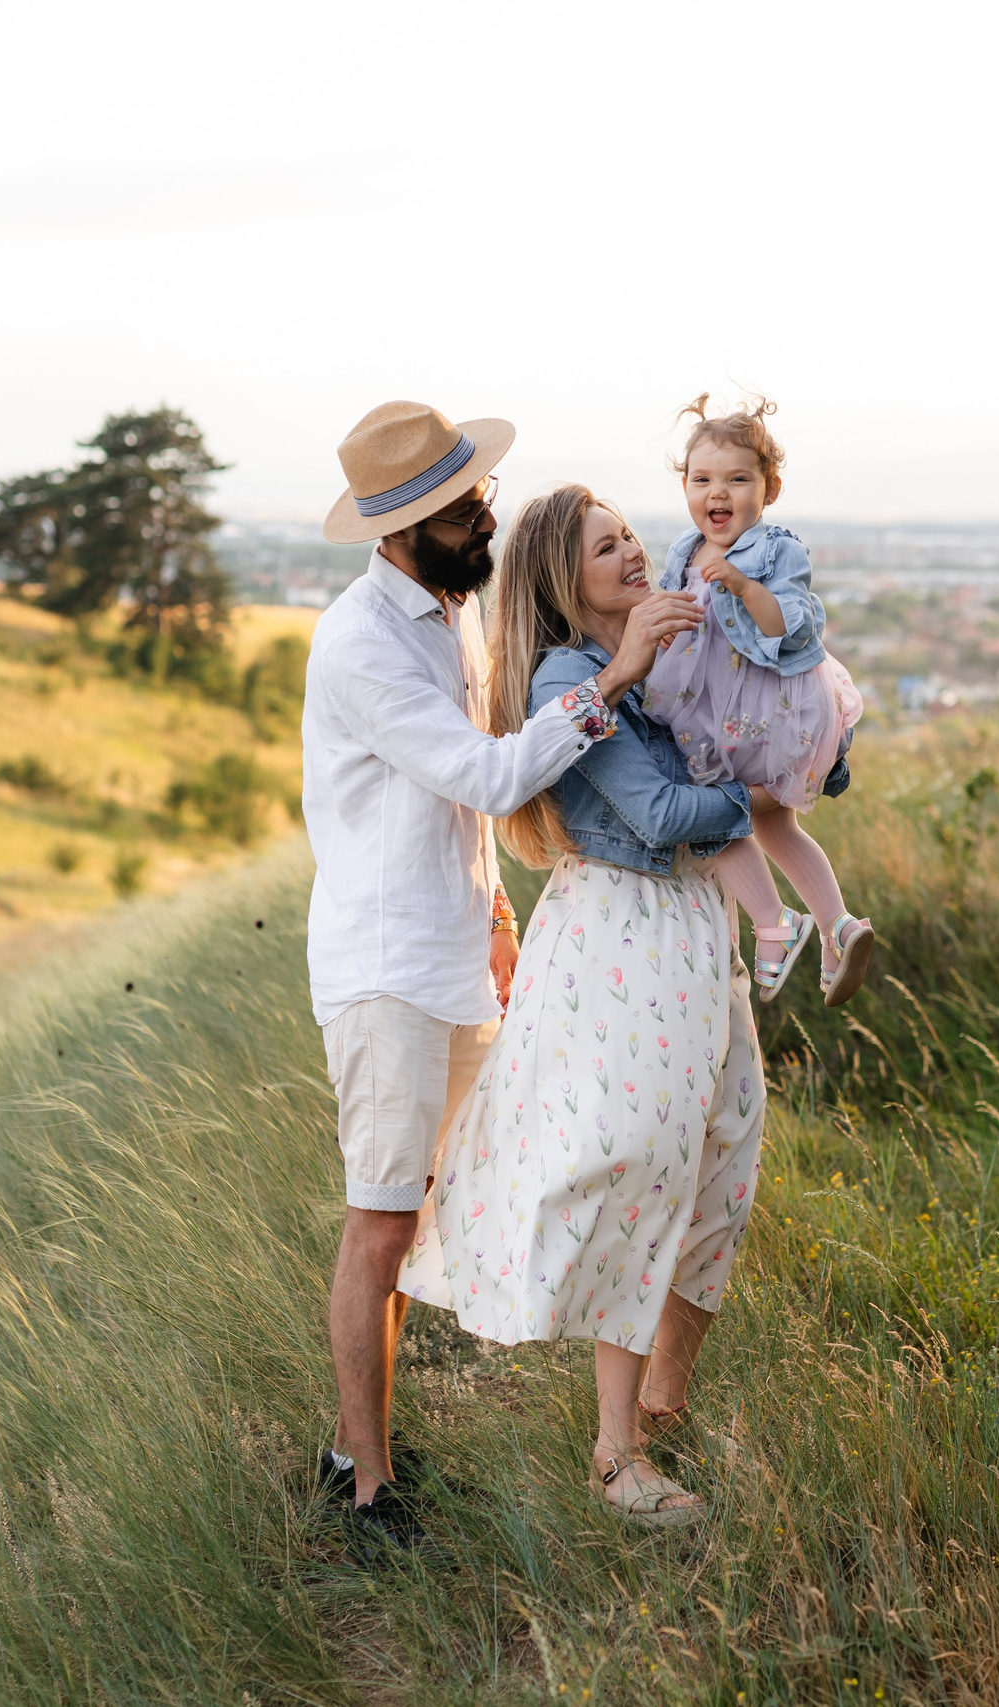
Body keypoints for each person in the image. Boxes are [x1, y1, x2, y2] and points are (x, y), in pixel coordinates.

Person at [303, 403, 701, 1557]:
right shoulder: (362, 642)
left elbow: (444, 811)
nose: (487, 518)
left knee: (433, 1205)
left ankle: (357, 1443)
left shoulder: (451, 610)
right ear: (401, 530)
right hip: (383, 968)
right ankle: (369, 1489)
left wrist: (492, 914)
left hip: (454, 950)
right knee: (380, 1222)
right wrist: (615, 676)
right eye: (464, 510)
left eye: (481, 498)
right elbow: (480, 776)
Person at [397, 484, 771, 1528]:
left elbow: (751, 722)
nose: (631, 554)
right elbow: (656, 816)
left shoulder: (668, 656)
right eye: (605, 547)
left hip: (696, 930)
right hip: (622, 933)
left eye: (628, 536)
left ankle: (665, 1401)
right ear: (566, 580)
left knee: (726, 1149)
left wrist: (798, 750)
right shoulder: (577, 674)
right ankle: (617, 1460)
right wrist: (759, 795)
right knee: (644, 1168)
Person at [638, 396, 876, 1005]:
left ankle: (775, 927)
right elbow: (678, 614)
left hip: (767, 711)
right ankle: (838, 928)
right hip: (713, 706)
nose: (718, 493)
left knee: (716, 810)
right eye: (702, 480)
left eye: (737, 480)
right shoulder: (683, 551)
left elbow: (784, 626)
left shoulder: (776, 550)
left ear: (768, 488)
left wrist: (744, 586)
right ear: (685, 486)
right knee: (771, 824)